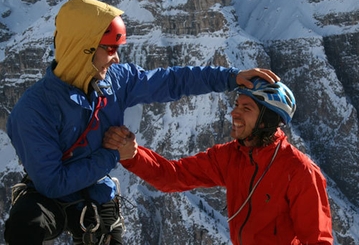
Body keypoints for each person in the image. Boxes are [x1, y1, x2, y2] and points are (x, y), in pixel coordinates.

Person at [4, 0, 280, 245]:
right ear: (83, 49)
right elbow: (52, 183)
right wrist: (111, 154)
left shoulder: (115, 81)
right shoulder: (34, 110)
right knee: (23, 228)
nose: (116, 58)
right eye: (110, 49)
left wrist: (230, 77)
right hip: (50, 196)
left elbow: (170, 82)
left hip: (95, 195)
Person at [104, 78, 334, 245]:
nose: (235, 113)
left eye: (246, 108)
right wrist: (132, 155)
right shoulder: (230, 156)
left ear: (267, 121)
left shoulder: (299, 170)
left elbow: (318, 240)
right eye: (236, 105)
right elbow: (173, 176)